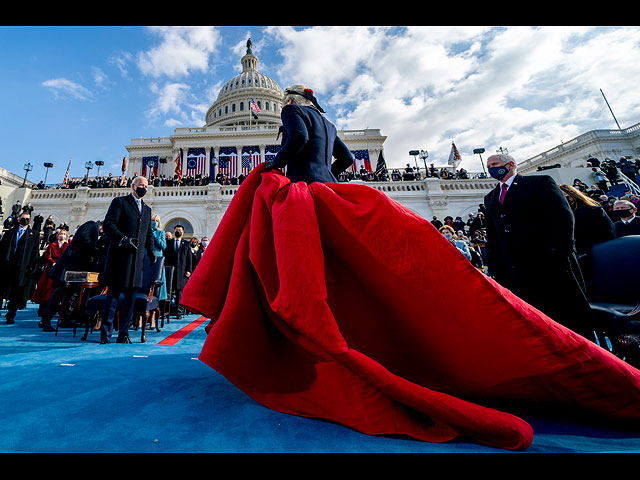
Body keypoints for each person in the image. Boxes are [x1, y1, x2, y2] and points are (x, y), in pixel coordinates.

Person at [179, 86, 640, 451]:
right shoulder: (329, 119)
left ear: (291, 100)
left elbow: (296, 142)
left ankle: (296, 344)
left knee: (287, 270)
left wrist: (273, 168)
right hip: (329, 190)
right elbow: (340, 159)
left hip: (298, 195)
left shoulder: (292, 115)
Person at [483, 154, 593, 340]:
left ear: (511, 165)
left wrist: (557, 253)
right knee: (537, 321)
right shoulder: (491, 197)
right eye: (488, 166)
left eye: (495, 164)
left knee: (568, 317)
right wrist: (496, 266)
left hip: (551, 265)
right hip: (518, 271)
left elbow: (563, 218)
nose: (491, 168)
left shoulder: (539, 183)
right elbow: (494, 235)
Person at [100, 176, 155, 344]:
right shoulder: (120, 202)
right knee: (113, 297)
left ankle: (123, 333)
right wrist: (123, 239)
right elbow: (109, 224)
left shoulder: (147, 210)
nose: (144, 188)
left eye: (146, 185)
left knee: (130, 298)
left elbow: (148, 232)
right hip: (120, 257)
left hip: (137, 261)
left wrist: (151, 250)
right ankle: (106, 334)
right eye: (141, 185)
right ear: (133, 186)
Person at [264, 84, 354, 182]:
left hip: (304, 184)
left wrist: (277, 162)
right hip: (330, 185)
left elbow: (300, 137)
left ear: (290, 101)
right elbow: (347, 157)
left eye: (283, 105)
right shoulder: (329, 125)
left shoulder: (291, 109)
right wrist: (328, 173)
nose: (283, 108)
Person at [558, 184, 616, 297]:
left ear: (572, 196)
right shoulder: (555, 218)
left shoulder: (594, 211)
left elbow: (609, 235)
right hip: (572, 264)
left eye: (565, 196)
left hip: (596, 260)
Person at [0, 211, 42, 323]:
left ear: (30, 221)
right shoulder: (10, 233)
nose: (25, 220)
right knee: (2, 289)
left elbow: (35, 253)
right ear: (18, 219)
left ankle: (11, 314)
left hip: (22, 268)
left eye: (27, 219)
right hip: (7, 266)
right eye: (23, 218)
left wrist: (32, 267)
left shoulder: (34, 235)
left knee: (16, 292)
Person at [31, 229, 68, 327]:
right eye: (61, 234)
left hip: (61, 271)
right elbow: (48, 256)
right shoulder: (52, 245)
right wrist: (54, 263)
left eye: (64, 234)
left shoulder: (67, 246)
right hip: (51, 269)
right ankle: (43, 311)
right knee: (47, 290)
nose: (62, 236)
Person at [164, 224, 192, 319]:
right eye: (176, 229)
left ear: (183, 232)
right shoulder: (169, 242)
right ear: (173, 231)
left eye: (179, 230)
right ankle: (167, 311)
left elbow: (189, 258)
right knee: (170, 291)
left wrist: (189, 270)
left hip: (182, 271)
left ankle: (179, 312)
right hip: (170, 271)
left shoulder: (186, 243)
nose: (178, 231)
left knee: (180, 292)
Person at [150, 213, 168, 306]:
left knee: (157, 281)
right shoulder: (147, 231)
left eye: (156, 221)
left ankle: (157, 305)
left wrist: (155, 236)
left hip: (158, 259)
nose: (155, 222)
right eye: (153, 220)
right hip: (147, 258)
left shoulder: (161, 233)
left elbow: (163, 246)